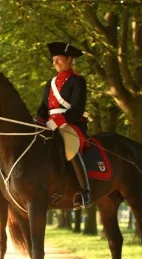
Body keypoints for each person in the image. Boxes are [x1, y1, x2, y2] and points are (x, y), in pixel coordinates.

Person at [35, 42, 91, 207]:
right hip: (51, 123)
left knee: (70, 146)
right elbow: (43, 108)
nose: (55, 62)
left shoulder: (78, 81)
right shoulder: (50, 83)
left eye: (59, 58)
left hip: (71, 123)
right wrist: (38, 122)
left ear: (69, 59)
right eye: (53, 59)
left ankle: (85, 191)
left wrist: (53, 123)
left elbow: (76, 109)